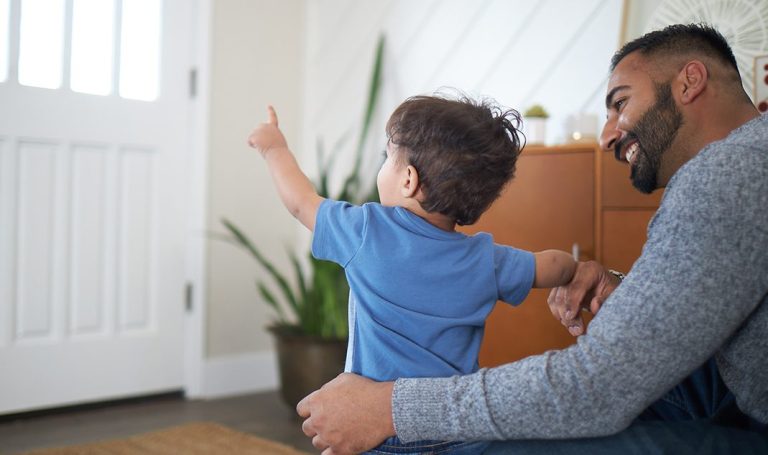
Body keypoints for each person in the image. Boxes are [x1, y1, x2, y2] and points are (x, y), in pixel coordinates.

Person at [295, 23, 768, 454]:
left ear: (690, 81)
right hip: (725, 394)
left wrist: (390, 407)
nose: (606, 136)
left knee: (508, 441)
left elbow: (594, 387)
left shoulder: (727, 175)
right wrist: (637, 298)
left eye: (620, 102)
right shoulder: (745, 164)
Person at [247, 94, 578, 454]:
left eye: (387, 157)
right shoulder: (486, 258)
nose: (383, 166)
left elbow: (301, 201)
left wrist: (273, 148)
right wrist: (576, 271)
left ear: (408, 180)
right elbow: (550, 265)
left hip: (378, 429)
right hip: (458, 429)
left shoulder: (366, 232)